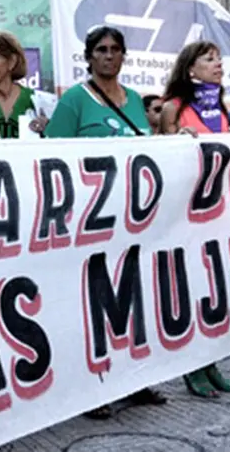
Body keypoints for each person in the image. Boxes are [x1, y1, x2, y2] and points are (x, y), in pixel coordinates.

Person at [45, 26, 165, 419]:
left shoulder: (134, 101)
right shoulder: (75, 101)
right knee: (92, 304)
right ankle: (89, 389)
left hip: (132, 221)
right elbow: (49, 158)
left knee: (133, 301)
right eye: (101, 50)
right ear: (89, 56)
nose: (109, 56)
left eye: (115, 49)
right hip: (88, 222)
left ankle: (133, 379)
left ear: (124, 56)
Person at [160, 41, 230, 398]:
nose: (218, 64)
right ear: (190, 69)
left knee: (216, 295)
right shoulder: (172, 108)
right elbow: (158, 157)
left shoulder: (223, 110)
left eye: (219, 59)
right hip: (185, 217)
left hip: (219, 214)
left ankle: (212, 362)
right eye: (209, 59)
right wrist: (176, 140)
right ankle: (192, 368)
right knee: (192, 293)